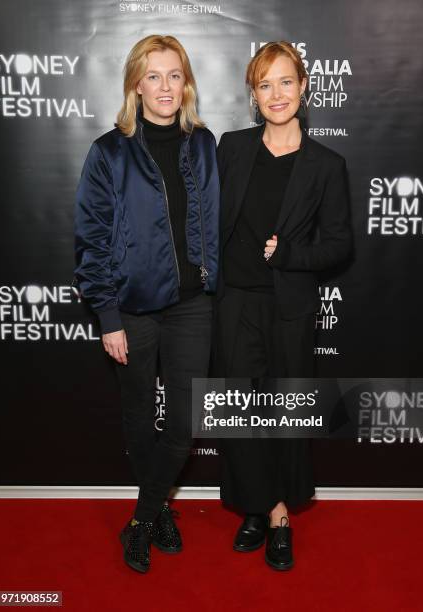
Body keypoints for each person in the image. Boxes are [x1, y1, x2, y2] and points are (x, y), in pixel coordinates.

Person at [74, 35, 219, 573]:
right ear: (136, 84)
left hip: (192, 306)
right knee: (139, 415)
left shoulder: (203, 144)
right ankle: (157, 511)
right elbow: (90, 239)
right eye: (153, 76)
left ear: (187, 84)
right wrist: (108, 315)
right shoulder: (109, 151)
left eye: (174, 75)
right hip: (132, 307)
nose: (165, 86)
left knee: (183, 423)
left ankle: (141, 518)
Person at [215, 41, 352, 570]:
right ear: (253, 94)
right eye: (264, 84)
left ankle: (276, 513)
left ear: (303, 87)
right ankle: (263, 509)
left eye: (285, 82)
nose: (276, 94)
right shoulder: (231, 147)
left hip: (291, 305)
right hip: (236, 303)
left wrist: (293, 254)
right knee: (240, 415)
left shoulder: (326, 164)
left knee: (284, 413)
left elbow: (341, 245)